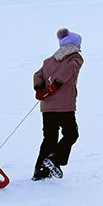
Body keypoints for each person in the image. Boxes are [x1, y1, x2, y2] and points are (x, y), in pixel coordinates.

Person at [32, 28, 84, 181]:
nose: (80, 48)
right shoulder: (75, 58)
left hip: (47, 106)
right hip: (64, 106)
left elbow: (38, 75)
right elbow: (69, 70)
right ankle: (54, 160)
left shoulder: (50, 60)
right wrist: (56, 84)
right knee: (71, 134)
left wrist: (39, 88)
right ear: (74, 46)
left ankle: (40, 171)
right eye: (79, 44)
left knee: (49, 138)